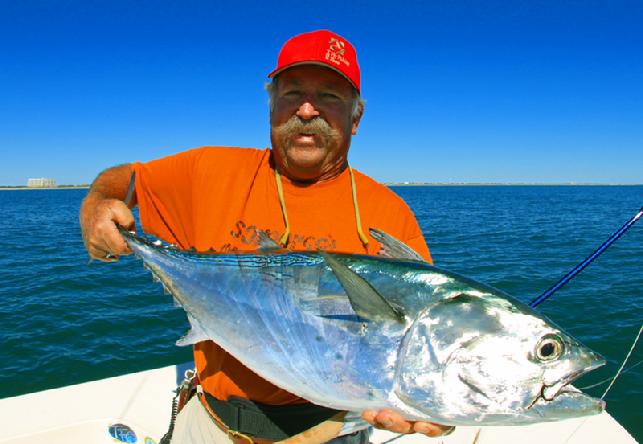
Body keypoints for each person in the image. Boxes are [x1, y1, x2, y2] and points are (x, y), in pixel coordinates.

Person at [80, 29, 454, 443]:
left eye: (330, 96)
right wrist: (98, 203)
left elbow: (421, 343)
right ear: (271, 106)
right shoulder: (209, 171)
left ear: (356, 118)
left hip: (329, 432)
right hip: (211, 424)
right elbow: (125, 180)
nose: (308, 109)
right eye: (292, 93)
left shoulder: (390, 215)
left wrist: (436, 398)